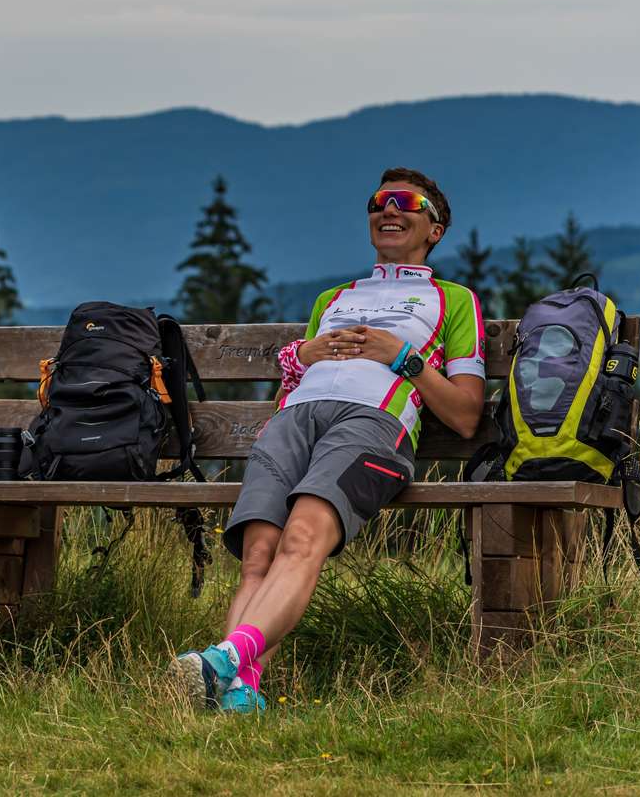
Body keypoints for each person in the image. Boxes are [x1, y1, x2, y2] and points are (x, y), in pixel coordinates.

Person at [170, 166, 486, 713]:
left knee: (301, 540)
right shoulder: (333, 298)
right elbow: (291, 384)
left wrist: (403, 358)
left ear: (435, 229)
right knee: (257, 556)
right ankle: (240, 693)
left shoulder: (453, 300)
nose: (388, 209)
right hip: (294, 420)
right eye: (377, 201)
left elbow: (465, 415)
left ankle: (224, 659)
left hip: (374, 423)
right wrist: (301, 357)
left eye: (406, 202)